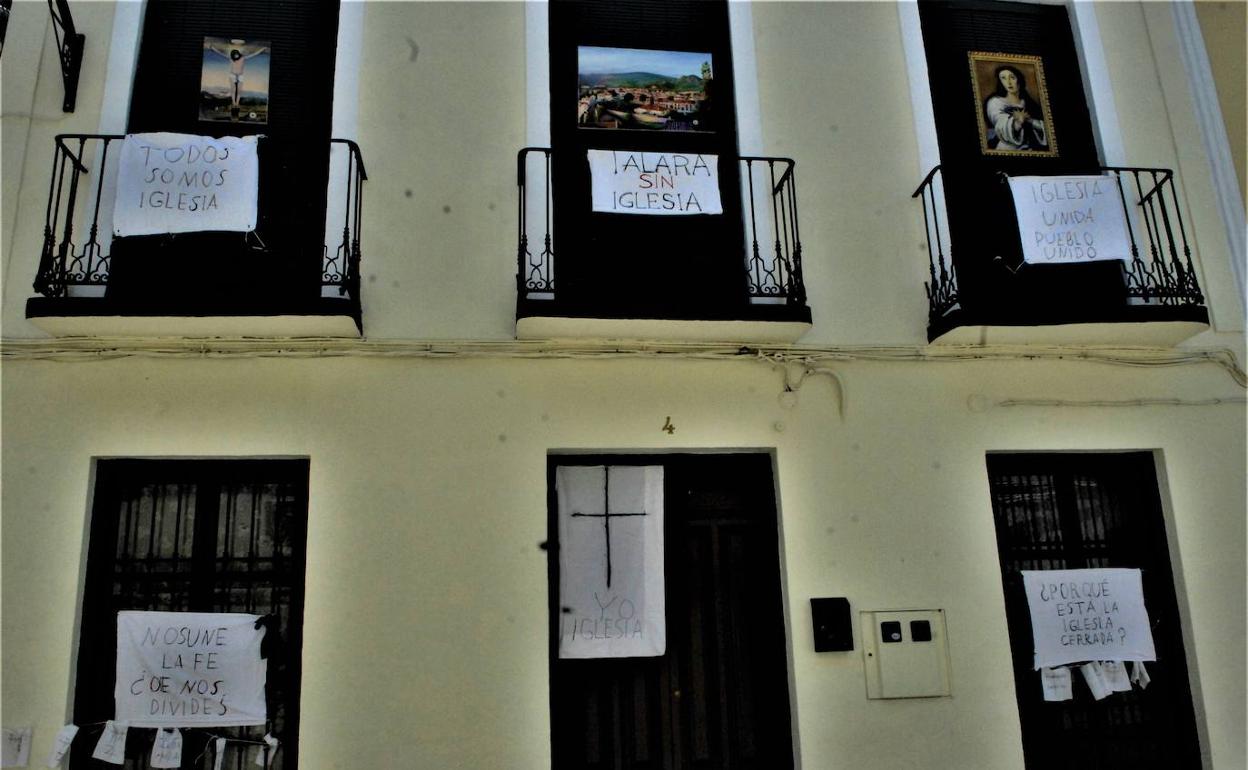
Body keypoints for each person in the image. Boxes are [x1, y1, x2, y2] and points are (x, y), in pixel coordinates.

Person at [983, 64, 1048, 151]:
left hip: (1032, 147)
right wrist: (1017, 123)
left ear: (1019, 79)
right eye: (1003, 78)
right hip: (1008, 146)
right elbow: (999, 122)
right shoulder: (995, 102)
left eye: (1012, 77)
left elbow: (1045, 127)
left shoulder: (1028, 102)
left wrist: (1030, 121)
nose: (1008, 82)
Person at [207, 39, 269, 120]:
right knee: (233, 90)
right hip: (232, 75)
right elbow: (221, 54)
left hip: (240, 76)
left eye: (237, 54)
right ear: (233, 55)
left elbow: (253, 54)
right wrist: (213, 48)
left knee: (239, 91)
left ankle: (237, 103)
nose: (236, 56)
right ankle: (234, 103)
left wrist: (262, 49)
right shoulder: (231, 58)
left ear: (238, 54)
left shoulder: (242, 58)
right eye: (235, 55)